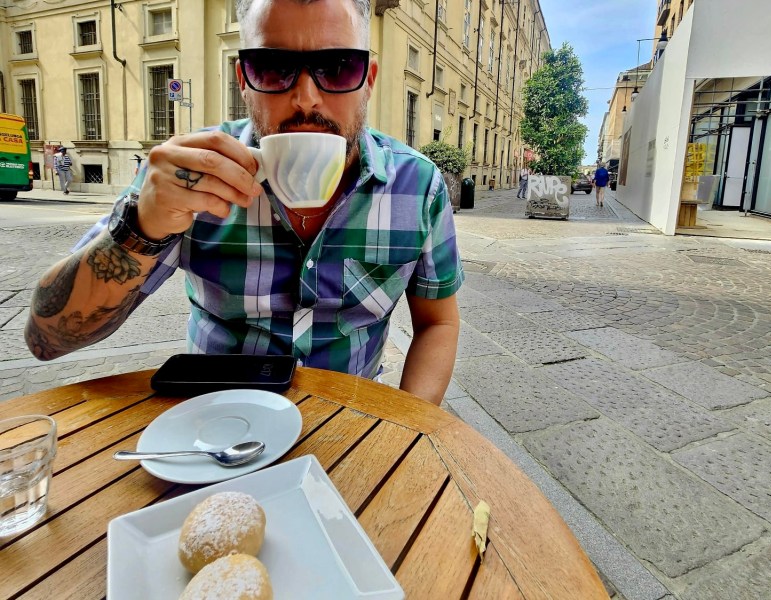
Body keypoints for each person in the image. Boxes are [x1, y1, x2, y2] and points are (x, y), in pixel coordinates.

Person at [24, 0, 463, 406]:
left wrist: (410, 426)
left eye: (338, 66)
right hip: (211, 425)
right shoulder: (189, 173)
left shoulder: (417, 186)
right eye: (273, 67)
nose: (306, 97)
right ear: (244, 82)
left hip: (350, 421)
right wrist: (141, 226)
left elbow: (437, 323)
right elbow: (48, 339)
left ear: (367, 80)